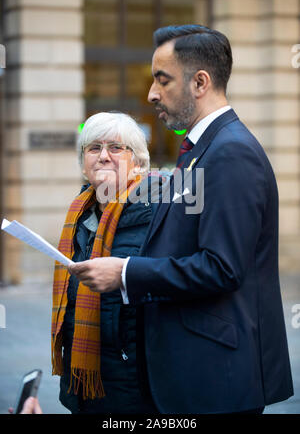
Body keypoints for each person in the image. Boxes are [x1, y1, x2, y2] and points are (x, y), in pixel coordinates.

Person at [68, 24, 294, 414]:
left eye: (162, 80)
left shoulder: (230, 152)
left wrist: (124, 273)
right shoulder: (202, 148)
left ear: (200, 82)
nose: (151, 93)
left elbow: (222, 267)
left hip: (216, 380)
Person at [51, 111, 159, 414]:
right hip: (82, 378)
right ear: (84, 163)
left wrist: (125, 277)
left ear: (137, 161)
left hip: (133, 382)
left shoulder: (157, 213)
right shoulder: (79, 215)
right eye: (94, 148)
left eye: (116, 147)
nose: (103, 156)